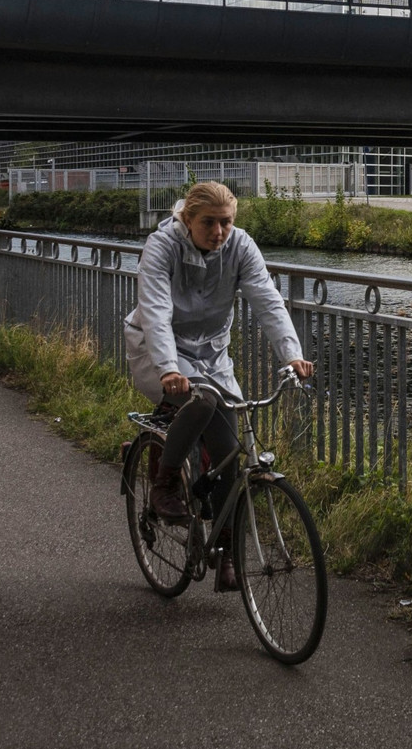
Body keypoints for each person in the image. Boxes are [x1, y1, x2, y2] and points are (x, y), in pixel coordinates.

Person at [123, 181, 313, 591]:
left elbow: (266, 299)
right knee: (203, 402)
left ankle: (227, 553)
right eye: (209, 222)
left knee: (231, 453)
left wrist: (291, 355)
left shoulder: (241, 247)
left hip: (211, 355)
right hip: (157, 351)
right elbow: (155, 310)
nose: (219, 231)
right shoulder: (162, 247)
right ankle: (165, 482)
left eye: (226, 222)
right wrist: (169, 366)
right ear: (187, 219)